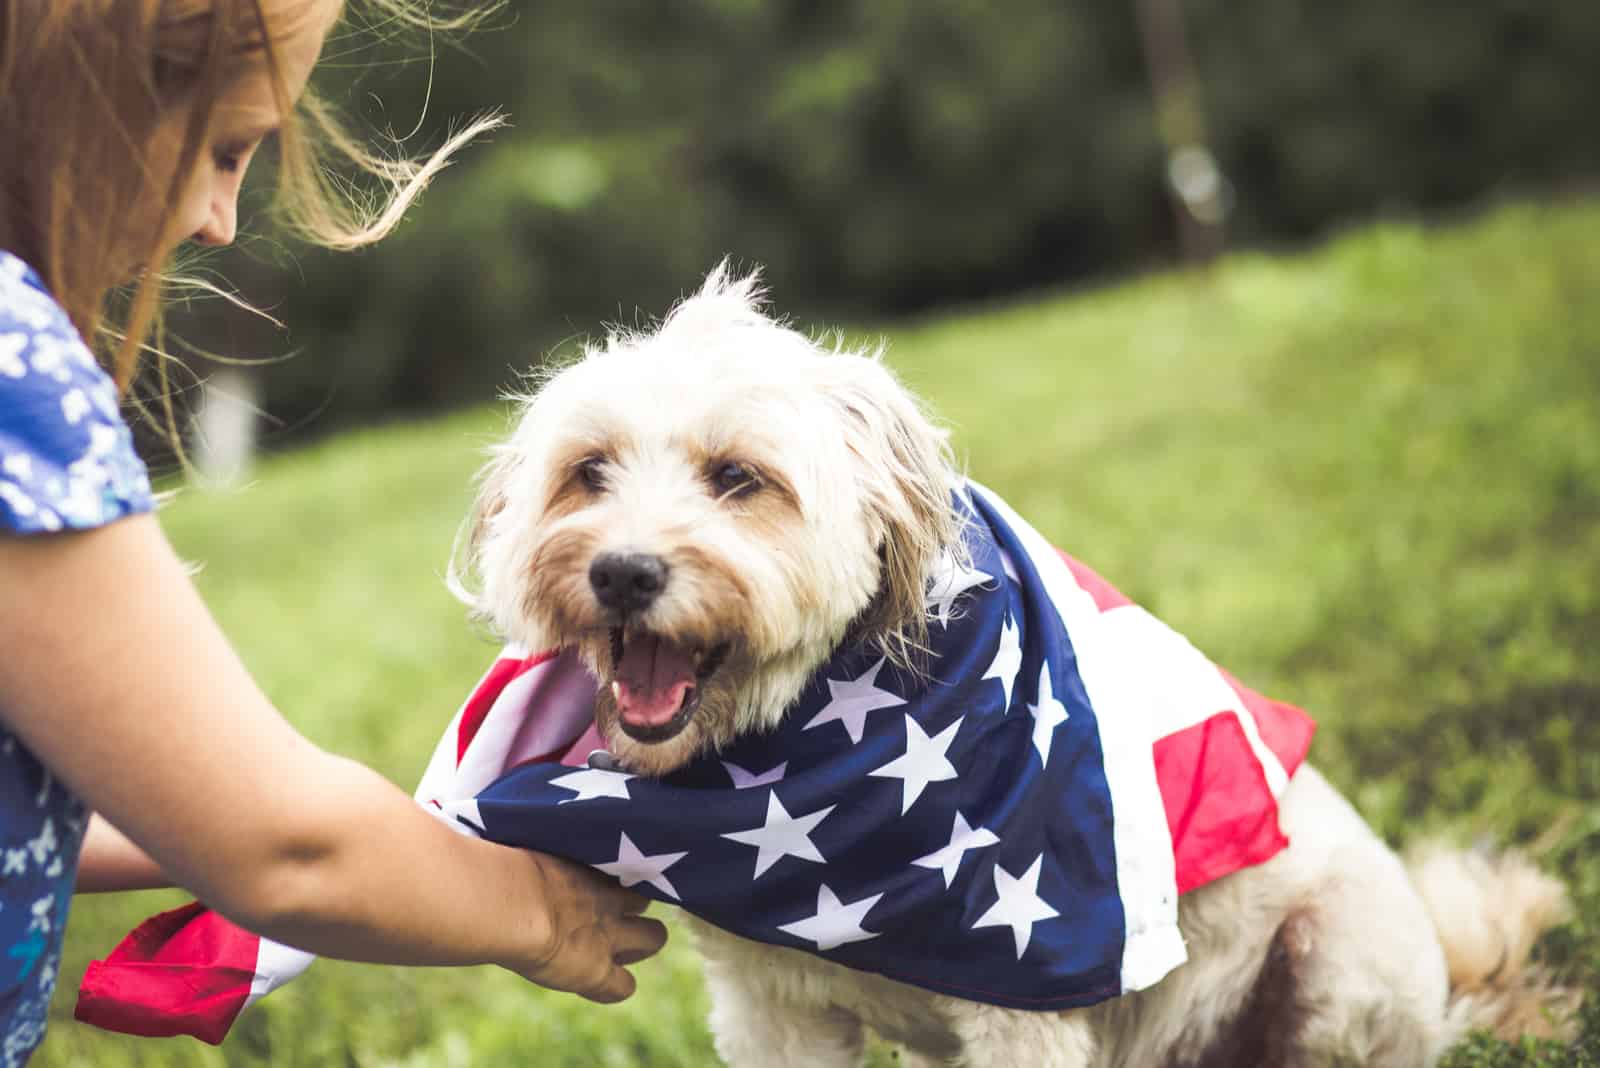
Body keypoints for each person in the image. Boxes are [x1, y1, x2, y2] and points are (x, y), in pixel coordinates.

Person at [0, 1, 668, 1060]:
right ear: (91, 89)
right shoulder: (9, 372)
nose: (221, 216)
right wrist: (535, 911)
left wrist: (202, 819)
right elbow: (286, 850)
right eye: (226, 148)